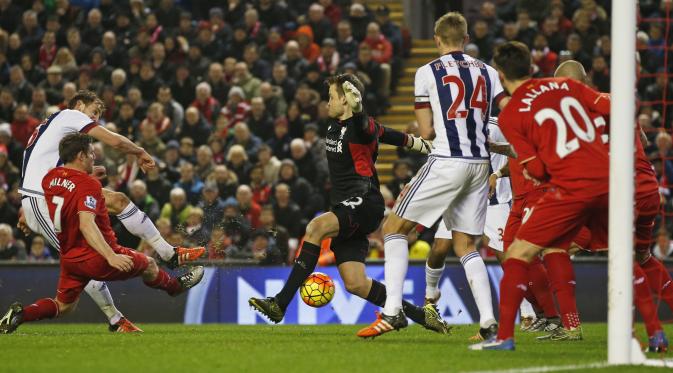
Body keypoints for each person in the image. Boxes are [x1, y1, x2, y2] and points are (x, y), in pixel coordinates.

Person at [248, 73, 447, 335]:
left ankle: (280, 303)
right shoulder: (333, 125)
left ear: (347, 100)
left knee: (316, 227)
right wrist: (418, 144)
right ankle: (419, 316)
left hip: (365, 202)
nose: (326, 102)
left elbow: (369, 127)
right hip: (347, 207)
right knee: (356, 284)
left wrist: (360, 109)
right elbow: (390, 134)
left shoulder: (360, 126)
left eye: (331, 97)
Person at [362, 12, 507, 339]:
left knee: (393, 228)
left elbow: (427, 129)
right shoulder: (489, 72)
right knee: (466, 244)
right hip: (480, 163)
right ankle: (487, 321)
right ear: (466, 39)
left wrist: (422, 132)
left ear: (437, 40)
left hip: (447, 158)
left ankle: (392, 311)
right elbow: (501, 115)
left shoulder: (427, 71)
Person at [17, 90, 204, 332]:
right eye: (94, 112)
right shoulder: (69, 116)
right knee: (83, 255)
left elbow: (40, 166)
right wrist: (140, 151)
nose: (95, 119)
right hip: (41, 199)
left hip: (48, 194)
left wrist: (27, 207)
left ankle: (170, 253)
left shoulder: (54, 126)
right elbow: (114, 140)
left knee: (118, 200)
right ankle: (115, 319)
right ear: (79, 105)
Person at [469, 42, 610, 351]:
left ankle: (509, 336)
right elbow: (609, 106)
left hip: (563, 187)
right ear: (532, 67)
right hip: (608, 178)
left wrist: (539, 172)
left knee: (524, 253)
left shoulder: (511, 114)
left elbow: (535, 165)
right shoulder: (561, 86)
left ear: (501, 75)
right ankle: (646, 331)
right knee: (632, 253)